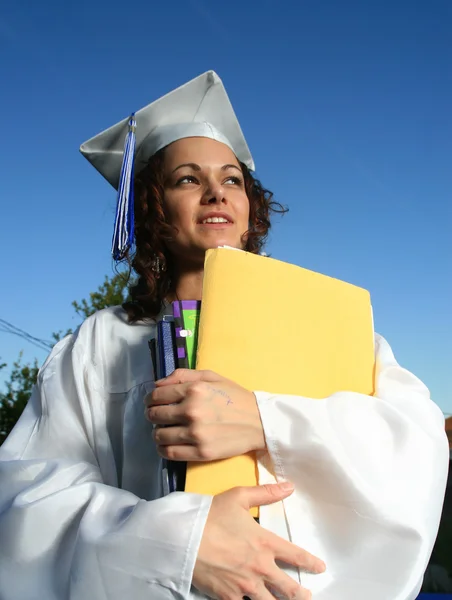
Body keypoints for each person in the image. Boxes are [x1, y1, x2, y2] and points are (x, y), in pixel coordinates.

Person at [0, 71, 449, 600]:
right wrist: (175, 543)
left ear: (250, 206)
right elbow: (22, 494)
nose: (216, 191)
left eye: (232, 179)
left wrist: (268, 421)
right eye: (187, 179)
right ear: (150, 207)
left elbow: (414, 442)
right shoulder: (99, 342)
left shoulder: (327, 320)